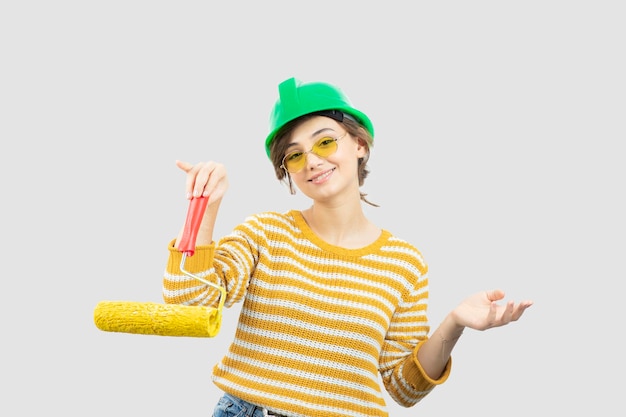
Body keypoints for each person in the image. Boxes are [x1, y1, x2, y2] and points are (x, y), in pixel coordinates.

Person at [162, 77, 533, 417]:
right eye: (294, 154)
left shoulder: (403, 263)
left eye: (325, 141)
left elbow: (404, 388)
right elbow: (188, 304)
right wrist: (205, 209)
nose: (312, 161)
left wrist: (453, 324)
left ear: (358, 143)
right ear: (286, 169)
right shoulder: (265, 233)